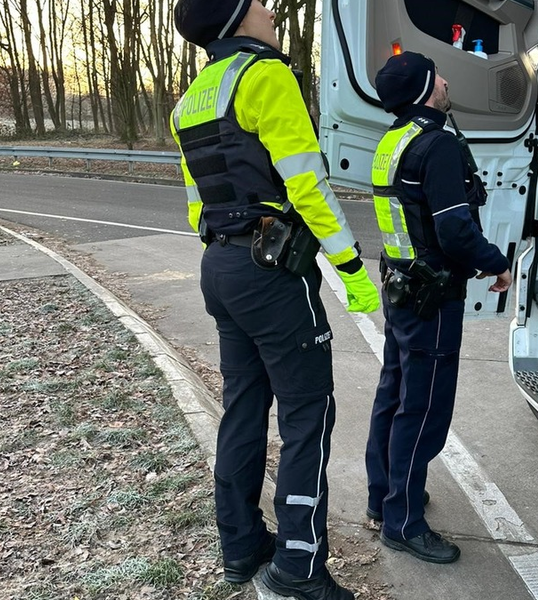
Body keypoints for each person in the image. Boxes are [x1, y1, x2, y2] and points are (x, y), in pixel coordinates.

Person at [170, 1, 379, 598]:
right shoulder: (265, 75)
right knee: (307, 416)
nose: (269, 10)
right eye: (257, 3)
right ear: (236, 19)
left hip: (221, 264)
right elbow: (306, 180)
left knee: (242, 409)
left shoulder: (189, 100)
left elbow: (195, 205)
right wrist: (350, 264)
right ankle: (299, 568)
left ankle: (241, 548)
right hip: (271, 271)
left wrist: (231, 248)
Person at [364, 51, 513, 564]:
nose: (448, 81)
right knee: (423, 408)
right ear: (429, 87)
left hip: (401, 288)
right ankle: (403, 522)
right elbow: (454, 229)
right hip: (431, 296)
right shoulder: (438, 145)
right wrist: (497, 263)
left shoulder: (392, 141)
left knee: (394, 392)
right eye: (441, 75)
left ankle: (384, 496)